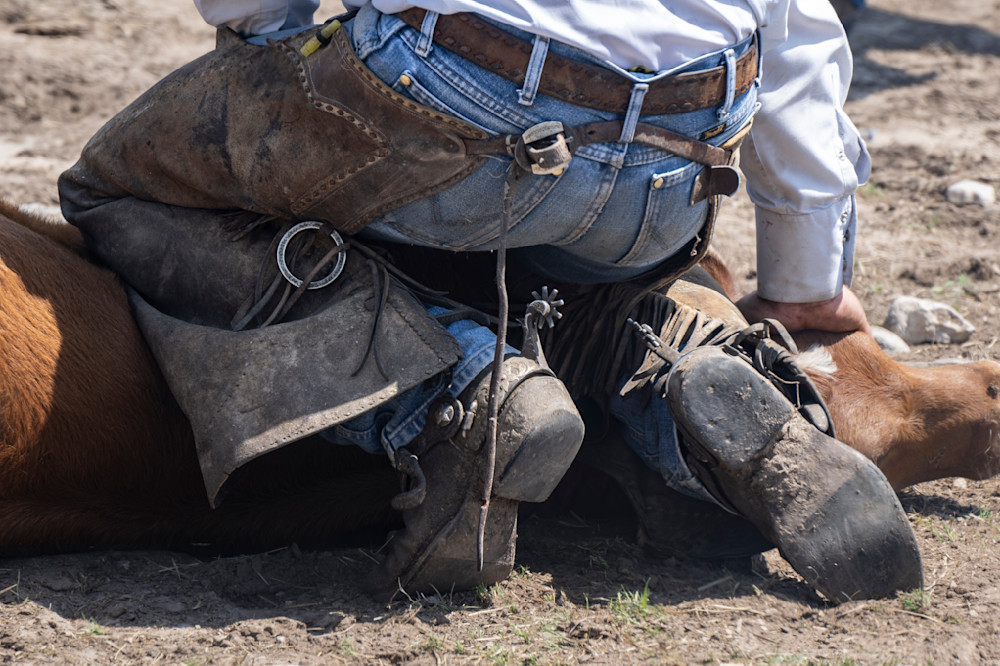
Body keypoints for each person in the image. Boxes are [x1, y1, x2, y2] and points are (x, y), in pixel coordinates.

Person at [58, 0, 921, 601]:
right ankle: (675, 389)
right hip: (680, 158)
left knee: (121, 185)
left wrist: (273, 45)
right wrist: (808, 280)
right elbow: (801, 45)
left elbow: (260, 17)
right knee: (578, 243)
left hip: (461, 101)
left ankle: (453, 396)